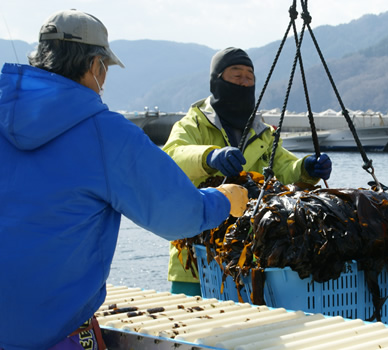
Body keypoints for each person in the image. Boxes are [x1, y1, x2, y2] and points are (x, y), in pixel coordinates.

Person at [0, 10, 248, 350]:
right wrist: (224, 198)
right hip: (52, 332)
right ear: (94, 66)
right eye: (105, 70)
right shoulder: (105, 132)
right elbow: (177, 215)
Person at [162, 47, 333, 296]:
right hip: (195, 259)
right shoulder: (193, 124)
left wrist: (307, 168)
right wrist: (209, 156)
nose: (244, 82)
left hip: (246, 258)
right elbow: (172, 156)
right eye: (236, 75)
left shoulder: (263, 133)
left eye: (249, 77)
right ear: (217, 80)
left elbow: (285, 169)